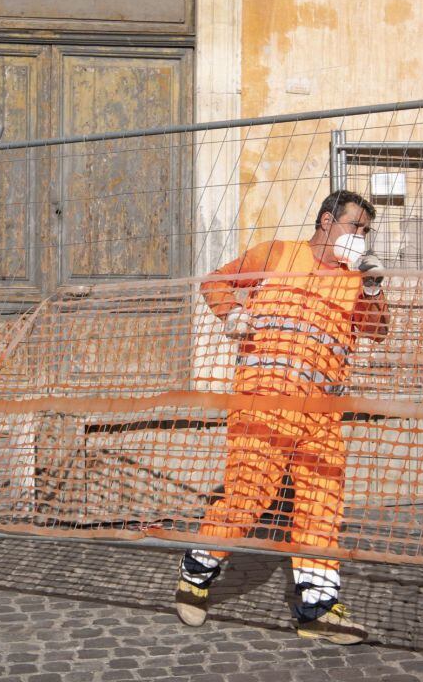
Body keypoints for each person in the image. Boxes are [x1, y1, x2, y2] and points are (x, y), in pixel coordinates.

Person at [175, 190, 389, 644]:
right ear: (327, 222)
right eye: (356, 227)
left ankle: (317, 608)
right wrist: (230, 312)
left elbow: (377, 332)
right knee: (248, 497)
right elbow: (216, 281)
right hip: (262, 406)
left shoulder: (355, 280)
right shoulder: (276, 253)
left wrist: (372, 288)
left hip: (321, 413)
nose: (361, 238)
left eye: (367, 232)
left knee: (321, 505)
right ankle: (195, 576)